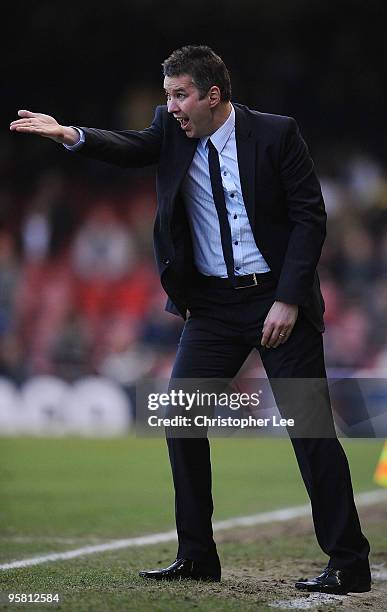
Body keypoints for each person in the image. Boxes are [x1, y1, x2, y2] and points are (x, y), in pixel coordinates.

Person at [10, 45, 371, 595]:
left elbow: (309, 218)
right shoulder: (170, 129)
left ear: (213, 97)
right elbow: (131, 147)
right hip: (214, 308)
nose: (172, 107)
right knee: (182, 415)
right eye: (168, 96)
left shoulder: (276, 134)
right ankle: (197, 555)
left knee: (310, 430)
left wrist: (290, 299)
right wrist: (70, 135)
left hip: (278, 299)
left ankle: (348, 561)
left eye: (181, 96)